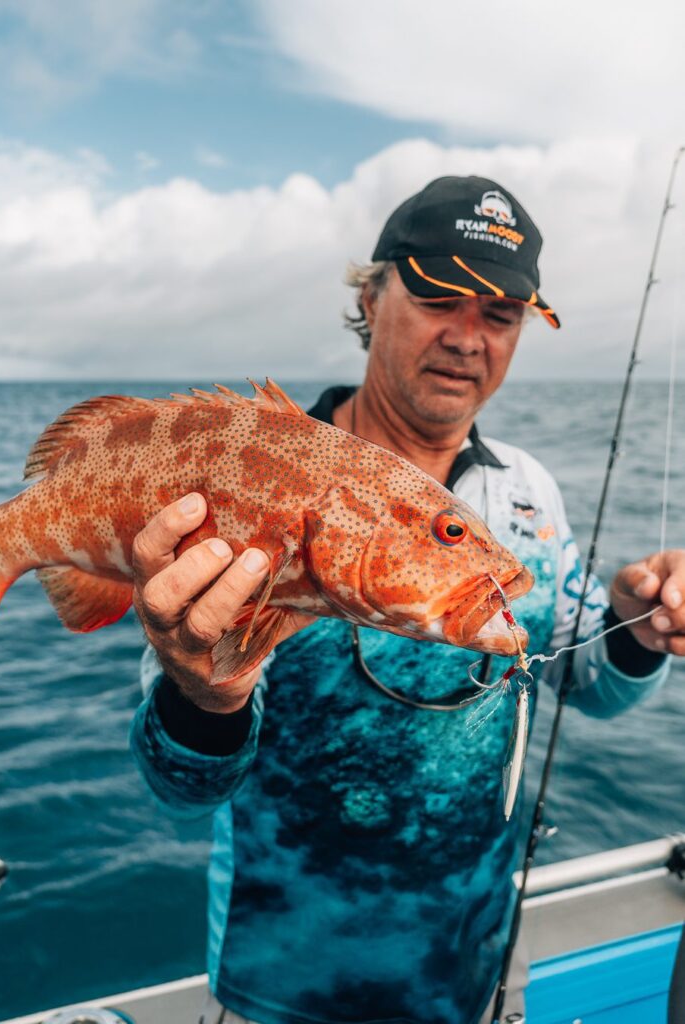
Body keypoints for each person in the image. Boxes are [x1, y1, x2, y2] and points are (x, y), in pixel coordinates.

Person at [129, 176, 684, 1024]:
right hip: (282, 985)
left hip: (479, 970)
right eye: (437, 296)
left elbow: (582, 679)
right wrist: (204, 695)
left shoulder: (526, 492)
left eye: (499, 315)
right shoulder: (258, 481)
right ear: (370, 293)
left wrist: (637, 624)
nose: (466, 337)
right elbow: (180, 786)